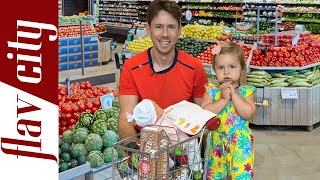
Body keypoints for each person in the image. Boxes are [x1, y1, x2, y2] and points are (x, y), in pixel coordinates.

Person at [118, 0, 208, 144]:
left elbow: (204, 117)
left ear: (179, 30)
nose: (165, 34)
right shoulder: (132, 67)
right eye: (159, 27)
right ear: (148, 29)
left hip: (185, 153)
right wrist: (139, 154)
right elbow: (126, 118)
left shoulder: (194, 67)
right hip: (146, 148)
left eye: (171, 27)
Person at [201, 42, 256, 180]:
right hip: (216, 143)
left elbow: (248, 113)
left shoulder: (246, 92)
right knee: (215, 176)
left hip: (240, 144)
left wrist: (234, 96)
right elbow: (204, 112)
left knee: (240, 176)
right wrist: (223, 100)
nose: (226, 72)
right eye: (221, 67)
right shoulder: (212, 91)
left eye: (232, 67)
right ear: (214, 69)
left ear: (242, 69)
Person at [126, 99, 202, 172]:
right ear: (157, 113)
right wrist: (178, 147)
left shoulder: (150, 128)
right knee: (193, 142)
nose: (160, 107)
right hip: (178, 146)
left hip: (164, 148)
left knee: (162, 153)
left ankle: (171, 166)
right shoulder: (166, 124)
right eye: (157, 106)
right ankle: (195, 168)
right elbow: (173, 136)